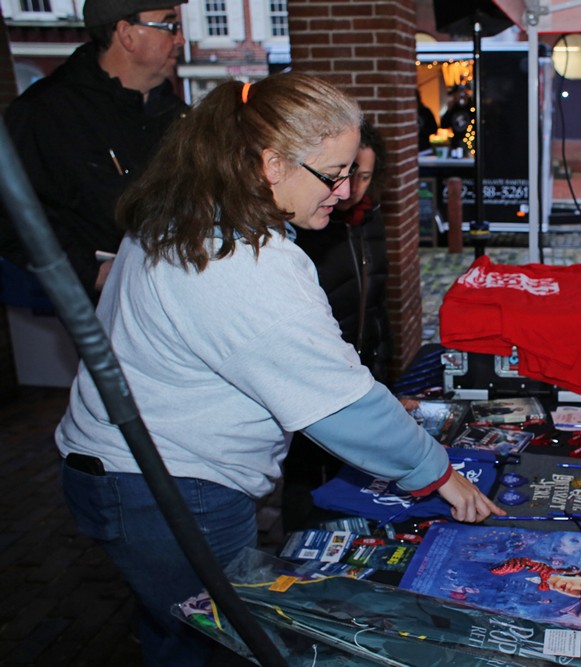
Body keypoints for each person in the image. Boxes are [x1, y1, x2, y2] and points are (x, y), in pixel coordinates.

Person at [55, 73, 503, 666]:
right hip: (170, 483)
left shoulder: (184, 215)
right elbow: (338, 405)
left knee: (177, 631)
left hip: (120, 470)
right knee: (220, 644)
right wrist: (438, 473)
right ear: (271, 165)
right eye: (333, 173)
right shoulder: (245, 260)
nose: (344, 191)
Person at [0, 0, 188, 303]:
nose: (181, 39)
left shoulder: (177, 114)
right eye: (170, 26)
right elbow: (12, 219)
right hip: (101, 307)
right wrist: (92, 272)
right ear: (127, 34)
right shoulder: (46, 113)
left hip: (173, 294)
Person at [281, 119, 393, 532]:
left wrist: (385, 375)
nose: (352, 189)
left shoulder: (370, 218)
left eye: (364, 177)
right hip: (315, 379)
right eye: (344, 176)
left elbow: (378, 305)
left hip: (363, 370)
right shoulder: (306, 228)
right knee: (305, 479)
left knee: (358, 479)